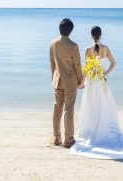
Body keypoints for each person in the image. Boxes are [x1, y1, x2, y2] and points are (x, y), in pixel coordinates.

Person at [70, 26, 123, 159]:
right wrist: (105, 74)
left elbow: (86, 68)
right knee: (105, 106)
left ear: (91, 36)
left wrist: (82, 83)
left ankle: (93, 130)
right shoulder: (106, 48)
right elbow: (113, 63)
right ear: (101, 35)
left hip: (91, 82)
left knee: (91, 107)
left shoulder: (88, 50)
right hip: (103, 82)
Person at [49, 18, 83, 148]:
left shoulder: (53, 43)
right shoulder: (73, 46)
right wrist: (80, 80)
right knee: (68, 110)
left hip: (57, 80)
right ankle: (68, 139)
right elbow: (77, 65)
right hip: (70, 82)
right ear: (71, 31)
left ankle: (56, 137)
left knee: (57, 109)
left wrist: (54, 77)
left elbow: (52, 63)